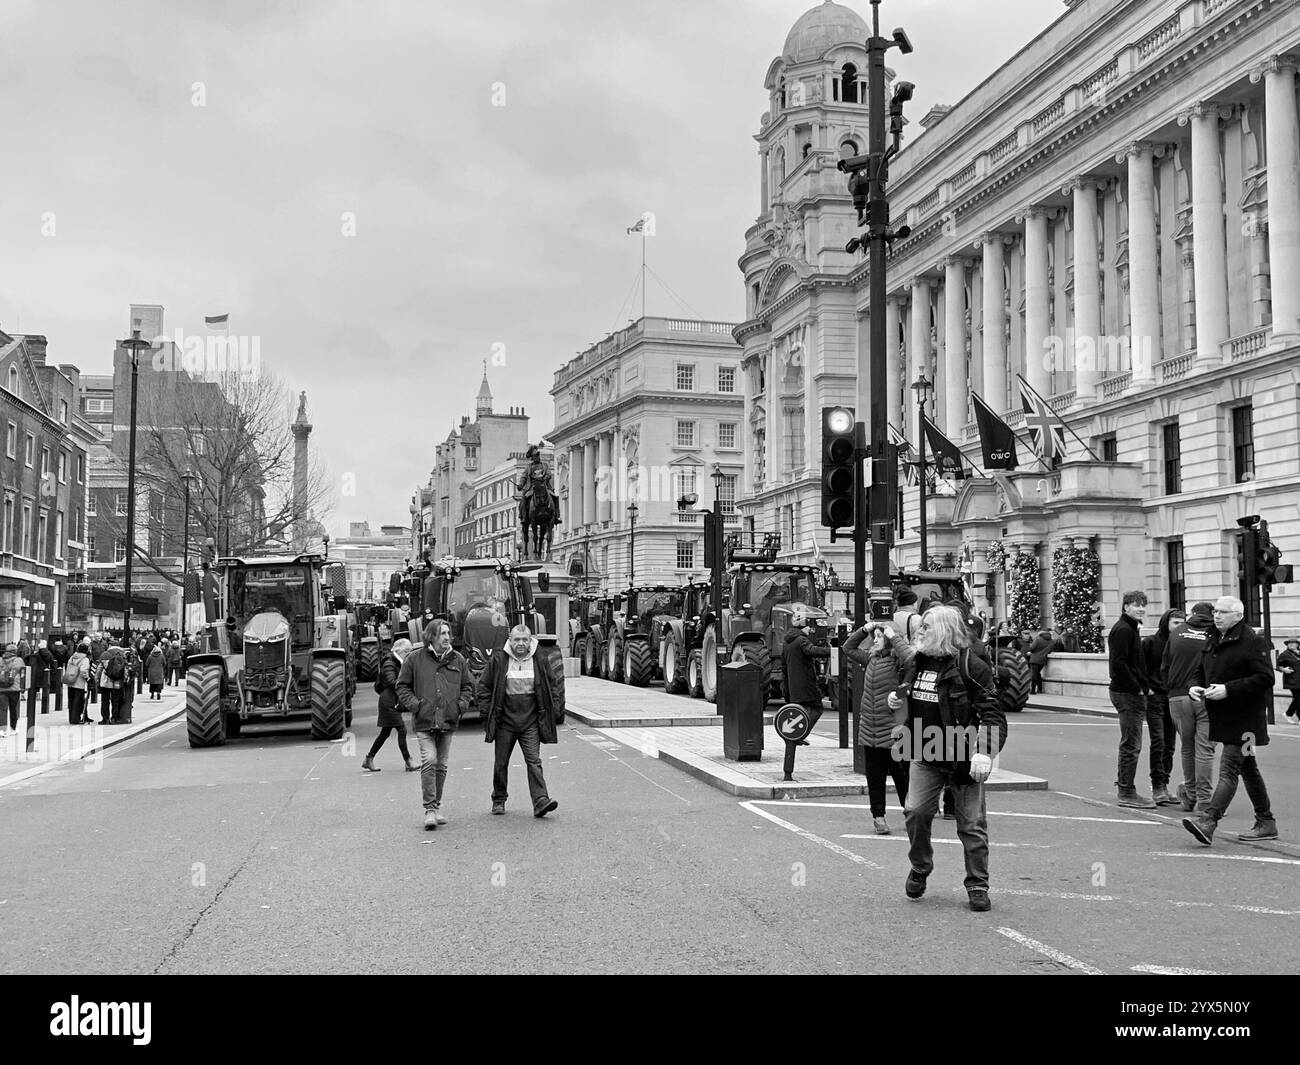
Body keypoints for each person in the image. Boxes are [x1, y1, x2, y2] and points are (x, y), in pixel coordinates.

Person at [889, 605, 1005, 912]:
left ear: (945, 629)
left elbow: (992, 711)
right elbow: (909, 695)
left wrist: (985, 750)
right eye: (921, 626)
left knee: (972, 826)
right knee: (915, 811)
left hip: (963, 756)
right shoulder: (917, 661)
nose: (921, 631)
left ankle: (977, 884)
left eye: (927, 626)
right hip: (925, 752)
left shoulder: (972, 666)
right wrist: (898, 700)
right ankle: (920, 866)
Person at [1183, 596, 1278, 845]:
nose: (1217, 615)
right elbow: (1199, 670)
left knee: (1230, 768)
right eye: (1215, 611)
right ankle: (1266, 821)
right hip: (1224, 717)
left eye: (1223, 612)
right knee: (1248, 769)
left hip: (1247, 720)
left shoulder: (1253, 641)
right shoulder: (1213, 637)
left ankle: (1209, 820)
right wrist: (1195, 686)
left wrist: (1228, 689)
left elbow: (1266, 678)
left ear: (1238, 615)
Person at [479, 624, 564, 818]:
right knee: (501, 763)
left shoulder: (540, 659)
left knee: (534, 761)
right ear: (510, 639)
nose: (521, 643)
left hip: (530, 723)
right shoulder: (499, 659)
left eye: (525, 639)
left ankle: (541, 800)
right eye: (517, 639)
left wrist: (554, 711)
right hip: (505, 723)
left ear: (530, 641)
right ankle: (498, 799)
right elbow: (483, 686)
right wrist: (487, 713)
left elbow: (552, 687)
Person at [396, 619, 474, 831]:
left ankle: (436, 805)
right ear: (431, 637)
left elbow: (468, 686)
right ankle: (430, 809)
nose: (447, 637)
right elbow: (401, 686)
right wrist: (415, 705)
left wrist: (460, 706)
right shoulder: (415, 659)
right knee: (430, 761)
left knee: (441, 765)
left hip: (448, 720)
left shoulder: (458, 659)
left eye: (448, 633)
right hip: (425, 721)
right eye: (442, 634)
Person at [844, 621, 912, 835]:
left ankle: (910, 811)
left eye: (879, 636)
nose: (874, 639)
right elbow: (847, 648)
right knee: (875, 777)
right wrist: (864, 630)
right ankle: (878, 817)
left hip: (892, 728)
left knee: (901, 774)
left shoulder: (897, 661)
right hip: (869, 728)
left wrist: (894, 636)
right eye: (874, 636)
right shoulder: (871, 658)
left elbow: (911, 661)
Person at [1107, 590, 1166, 808]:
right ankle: (1126, 791)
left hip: (1130, 691)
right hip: (1127, 693)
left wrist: (1143, 687)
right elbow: (1119, 664)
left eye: (1143, 605)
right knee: (1131, 744)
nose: (1140, 608)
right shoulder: (1124, 630)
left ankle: (1126, 787)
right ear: (1125, 607)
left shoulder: (1129, 628)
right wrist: (1138, 688)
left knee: (1131, 743)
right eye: (1135, 604)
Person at [1162, 602, 1217, 812]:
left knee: (1187, 747)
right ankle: (1204, 801)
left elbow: (1164, 666)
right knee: (1204, 749)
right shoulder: (1213, 634)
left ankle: (1191, 795)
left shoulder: (1177, 632)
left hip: (1177, 696)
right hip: (1204, 694)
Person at [1143, 608, 1184, 806]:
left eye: (1182, 623)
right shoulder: (1150, 642)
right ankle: (1157, 786)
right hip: (1155, 697)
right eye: (1176, 622)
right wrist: (1147, 688)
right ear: (1166, 622)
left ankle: (1164, 784)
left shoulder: (1181, 643)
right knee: (1158, 742)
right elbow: (1140, 667)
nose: (1179, 626)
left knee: (1170, 744)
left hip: (1173, 697)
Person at [363, 638, 417, 772]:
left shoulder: (397, 662)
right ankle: (408, 761)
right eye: (407, 651)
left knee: (385, 733)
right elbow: (392, 682)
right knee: (402, 730)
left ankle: (369, 759)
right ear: (399, 651)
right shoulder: (389, 663)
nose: (409, 654)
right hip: (388, 702)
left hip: (392, 700)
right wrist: (407, 683)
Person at [781, 606, 831, 743]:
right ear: (803, 626)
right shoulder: (801, 640)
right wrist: (832, 652)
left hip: (792, 684)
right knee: (816, 707)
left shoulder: (787, 642)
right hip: (805, 683)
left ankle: (794, 735)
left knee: (800, 710)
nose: (810, 630)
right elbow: (812, 650)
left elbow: (783, 666)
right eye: (809, 627)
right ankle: (799, 734)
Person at [64, 641, 92, 725]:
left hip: (70, 681)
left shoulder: (72, 657)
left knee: (71, 701)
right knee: (78, 701)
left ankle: (71, 718)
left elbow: (68, 667)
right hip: (79, 683)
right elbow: (83, 671)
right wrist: (87, 678)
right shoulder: (85, 659)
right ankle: (76, 719)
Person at [0, 643, 25, 738]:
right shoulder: (18, 660)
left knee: (2, 709)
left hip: (1, 688)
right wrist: (23, 688)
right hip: (14, 688)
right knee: (13, 709)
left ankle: (2, 730)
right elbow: (23, 673)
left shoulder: (1, 660)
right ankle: (13, 728)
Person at [1027, 629, 1063, 694]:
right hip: (1043, 660)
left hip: (1034, 659)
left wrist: (1031, 651)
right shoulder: (1052, 641)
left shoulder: (1038, 639)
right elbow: (1051, 650)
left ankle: (1033, 690)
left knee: (1034, 675)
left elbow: (1032, 648)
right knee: (1037, 674)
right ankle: (1040, 689)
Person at [26, 639, 53, 719]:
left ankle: (37, 695)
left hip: (37, 671)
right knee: (45, 686)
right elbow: (52, 662)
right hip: (46, 671)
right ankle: (45, 701)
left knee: (36, 684)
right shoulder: (49, 653)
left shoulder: (36, 654)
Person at [1277, 637, 1300, 722]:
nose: (1290, 644)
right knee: (1298, 699)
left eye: (1293, 643)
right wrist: (1284, 670)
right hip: (1292, 680)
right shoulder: (1285, 654)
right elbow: (1276, 665)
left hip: (1299, 679)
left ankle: (1288, 714)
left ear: (1297, 644)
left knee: (1297, 699)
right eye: (1289, 643)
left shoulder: (1299, 653)